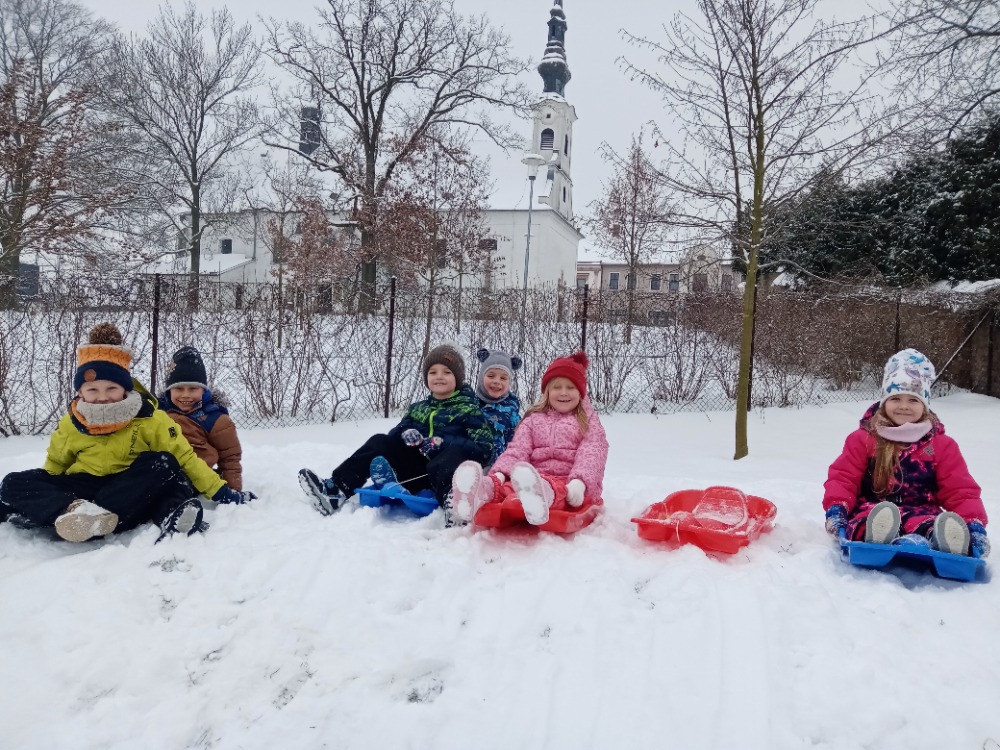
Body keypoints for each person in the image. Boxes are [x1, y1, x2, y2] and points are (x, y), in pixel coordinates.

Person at [0, 324, 254, 543]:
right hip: (85, 490)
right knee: (13, 482)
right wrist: (46, 494)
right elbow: (55, 466)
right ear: (80, 392)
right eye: (92, 390)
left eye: (111, 388)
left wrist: (222, 492)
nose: (102, 397)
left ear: (125, 388)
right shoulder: (71, 422)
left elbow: (185, 457)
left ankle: (109, 518)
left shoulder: (150, 418)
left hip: (129, 491)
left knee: (165, 464)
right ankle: (74, 514)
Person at [823, 348, 989, 557]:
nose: (903, 406)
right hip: (872, 509)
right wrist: (838, 507)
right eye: (895, 399)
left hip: (923, 513)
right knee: (864, 523)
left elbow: (960, 490)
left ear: (925, 405)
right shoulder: (863, 439)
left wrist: (973, 523)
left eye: (913, 400)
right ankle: (878, 536)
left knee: (931, 525)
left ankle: (940, 541)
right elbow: (844, 478)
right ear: (884, 402)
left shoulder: (941, 445)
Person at [298, 343, 494, 515]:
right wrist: (405, 434)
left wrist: (443, 444)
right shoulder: (418, 408)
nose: (439, 377)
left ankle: (454, 509)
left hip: (442, 477)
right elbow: (394, 436)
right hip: (413, 471)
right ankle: (337, 490)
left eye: (447, 372)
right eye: (433, 372)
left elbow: (484, 449)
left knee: (450, 455)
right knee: (380, 441)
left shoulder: (469, 410)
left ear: (458, 378)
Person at [450, 352, 609, 526]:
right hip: (530, 479)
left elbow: (592, 453)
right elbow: (517, 450)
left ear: (581, 392)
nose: (563, 393)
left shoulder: (587, 421)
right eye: (557, 387)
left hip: (568, 484)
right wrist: (499, 475)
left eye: (570, 388)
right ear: (547, 392)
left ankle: (538, 497)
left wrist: (579, 482)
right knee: (508, 488)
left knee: (555, 490)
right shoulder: (534, 419)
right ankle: (480, 492)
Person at [158, 346, 244, 491]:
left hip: (196, 479)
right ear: (169, 390)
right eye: (179, 389)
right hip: (160, 474)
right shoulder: (158, 413)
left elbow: (230, 458)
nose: (186, 395)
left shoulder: (215, 418)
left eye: (193, 389)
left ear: (203, 390)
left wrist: (232, 490)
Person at [473, 347, 522, 464]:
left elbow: (517, 443)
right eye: (491, 376)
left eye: (503, 378)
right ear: (481, 377)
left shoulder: (511, 410)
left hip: (500, 466)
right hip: (472, 463)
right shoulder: (470, 404)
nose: (497, 381)